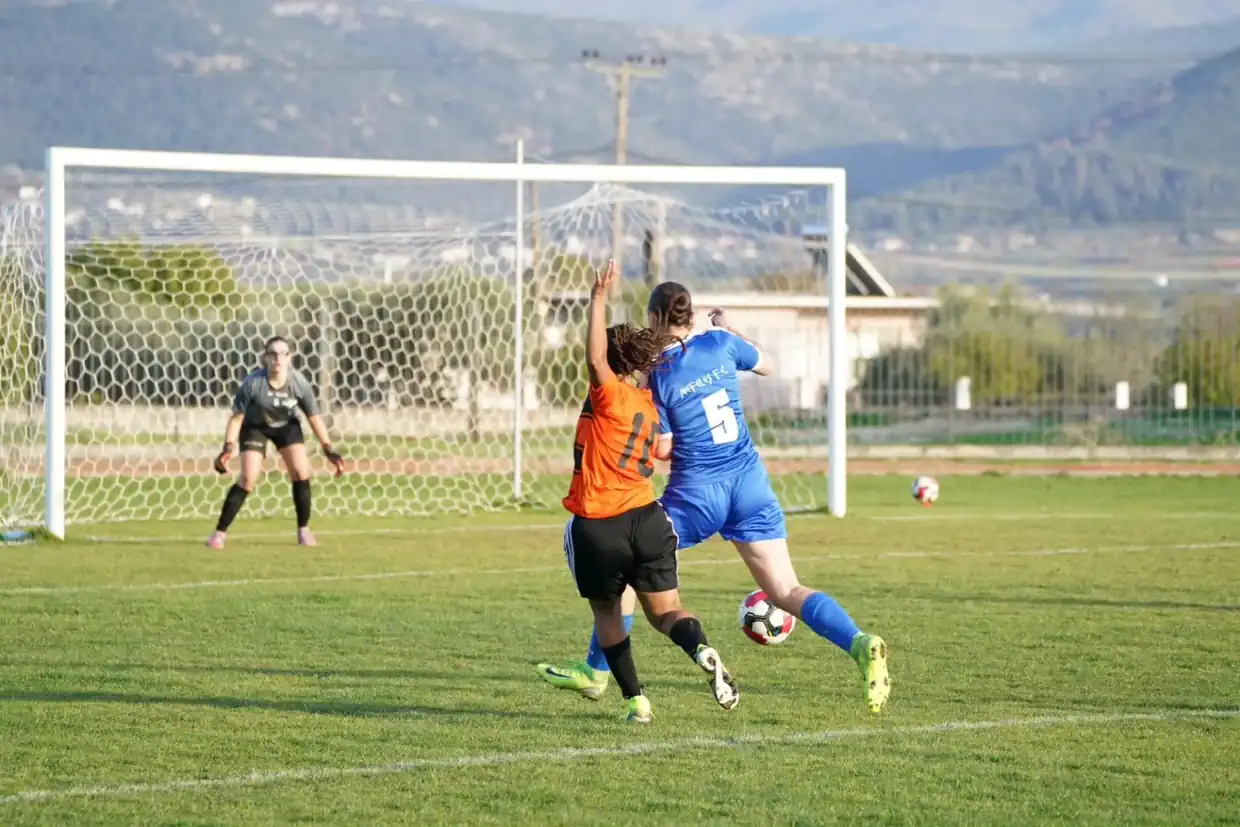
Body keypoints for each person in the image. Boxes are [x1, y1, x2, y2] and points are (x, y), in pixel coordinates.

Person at [539, 282, 890, 714]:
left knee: (629, 561)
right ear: (692, 316)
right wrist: (730, 328)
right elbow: (767, 365)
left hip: (697, 495)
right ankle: (860, 642)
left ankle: (597, 672)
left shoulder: (658, 374)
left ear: (655, 319)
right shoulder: (722, 343)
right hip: (749, 486)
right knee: (786, 588)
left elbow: (663, 448)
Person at [535, 262, 739, 723]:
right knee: (667, 614)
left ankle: (637, 703)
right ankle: (701, 649)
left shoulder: (610, 396)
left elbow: (595, 360)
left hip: (600, 524)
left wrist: (597, 298)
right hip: (648, 519)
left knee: (608, 614)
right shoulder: (647, 403)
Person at [206, 335, 344, 548]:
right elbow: (237, 418)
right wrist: (227, 448)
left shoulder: (299, 383)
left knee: (301, 472)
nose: (278, 358)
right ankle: (219, 533)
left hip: (287, 426)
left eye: (283, 354)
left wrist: (329, 450)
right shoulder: (253, 383)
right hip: (255, 427)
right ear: (265, 357)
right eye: (272, 353)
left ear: (289, 357)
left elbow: (314, 417)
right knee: (248, 479)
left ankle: (303, 530)